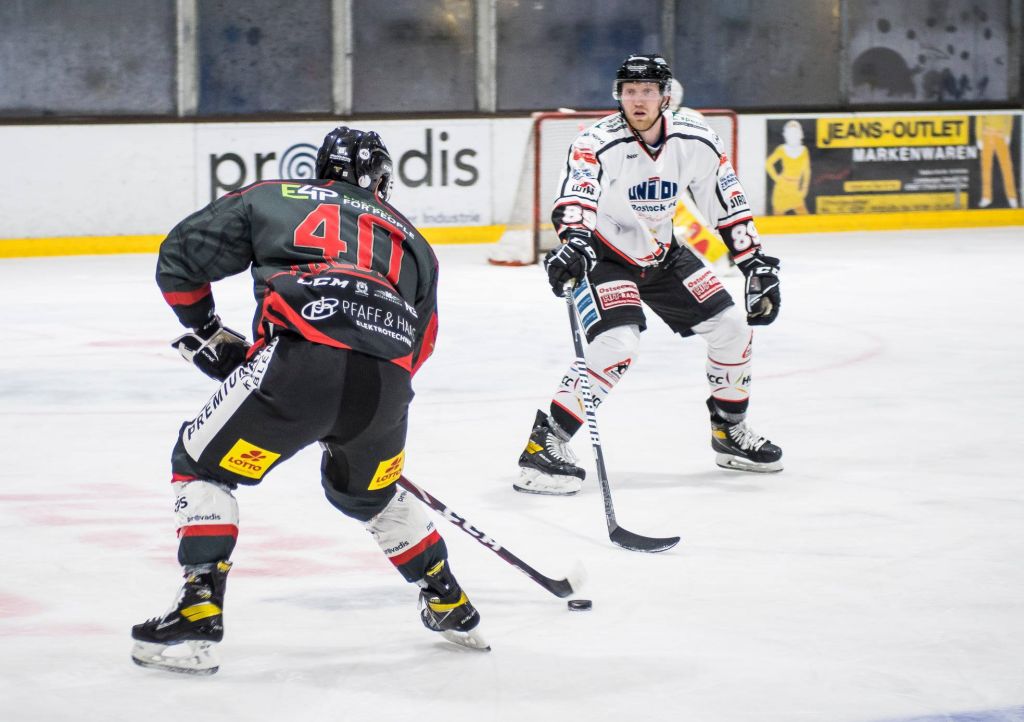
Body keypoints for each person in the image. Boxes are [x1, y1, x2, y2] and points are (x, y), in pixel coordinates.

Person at [131, 126, 488, 675]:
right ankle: (448, 600)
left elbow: (180, 257)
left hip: (299, 365)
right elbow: (422, 343)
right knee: (368, 494)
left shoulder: (270, 195)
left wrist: (206, 331)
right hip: (387, 387)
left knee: (199, 465)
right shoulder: (415, 241)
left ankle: (199, 604)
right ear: (380, 179)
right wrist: (357, 404)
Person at [514, 54, 783, 496]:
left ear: (665, 96)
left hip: (662, 253)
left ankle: (729, 432)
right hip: (603, 254)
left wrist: (753, 261)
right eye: (629, 91)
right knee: (618, 344)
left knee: (732, 328)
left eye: (647, 91)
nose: (637, 100)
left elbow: (725, 200)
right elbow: (576, 197)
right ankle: (546, 444)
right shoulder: (597, 141)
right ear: (618, 95)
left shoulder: (696, 140)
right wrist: (575, 241)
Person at [765, 120, 811, 215]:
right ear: (786, 134)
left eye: (795, 132)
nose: (793, 135)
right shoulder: (781, 149)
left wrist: (804, 187)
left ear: (800, 134)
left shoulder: (804, 150)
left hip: (795, 188)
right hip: (781, 189)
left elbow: (806, 171)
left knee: (804, 215)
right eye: (790, 133)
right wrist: (777, 178)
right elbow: (768, 163)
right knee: (777, 215)